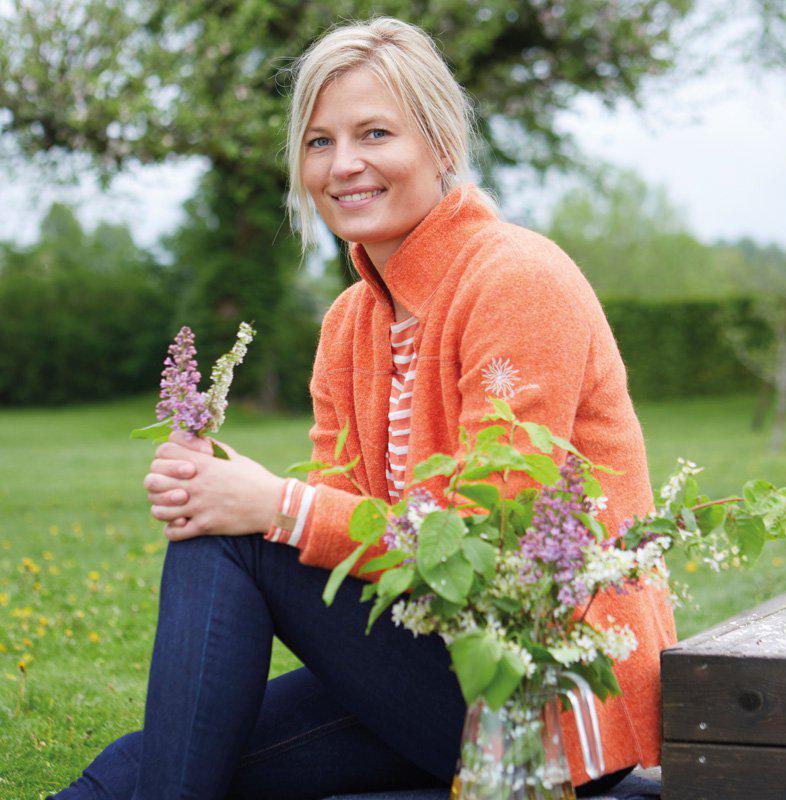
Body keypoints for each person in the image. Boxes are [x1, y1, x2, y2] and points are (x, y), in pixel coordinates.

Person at [48, 16, 676, 800]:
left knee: (230, 542)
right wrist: (256, 500)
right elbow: (347, 540)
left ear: (442, 144)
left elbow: (497, 549)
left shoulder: (516, 279)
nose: (343, 165)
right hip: (431, 661)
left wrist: (272, 505)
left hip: (542, 684)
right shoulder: (350, 326)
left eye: (374, 133)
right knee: (146, 764)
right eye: (319, 142)